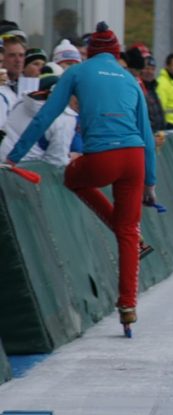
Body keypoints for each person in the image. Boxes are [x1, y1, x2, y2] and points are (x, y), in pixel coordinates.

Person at [2, 22, 157, 336]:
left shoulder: (76, 73)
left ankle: (125, 234)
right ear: (115, 54)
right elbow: (148, 136)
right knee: (128, 231)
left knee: (74, 178)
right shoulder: (130, 79)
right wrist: (150, 184)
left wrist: (14, 156)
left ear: (91, 52)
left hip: (101, 156)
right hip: (135, 160)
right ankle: (128, 307)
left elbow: (46, 115)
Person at [0, 74, 78, 167]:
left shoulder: (23, 101)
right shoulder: (65, 119)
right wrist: (73, 160)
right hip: (26, 174)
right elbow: (57, 163)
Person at [125, 45, 166, 132]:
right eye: (146, 68)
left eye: (152, 69)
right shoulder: (137, 85)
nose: (149, 72)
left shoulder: (153, 87)